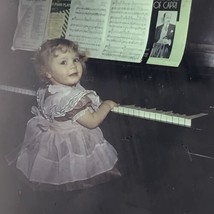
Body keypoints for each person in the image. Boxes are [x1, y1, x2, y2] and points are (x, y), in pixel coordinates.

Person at [7, 38, 121, 191]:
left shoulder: (47, 89)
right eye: (63, 62)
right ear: (47, 72)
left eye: (75, 59)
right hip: (73, 147)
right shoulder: (69, 99)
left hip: (51, 142)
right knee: (79, 180)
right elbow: (92, 121)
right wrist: (106, 105)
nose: (73, 65)